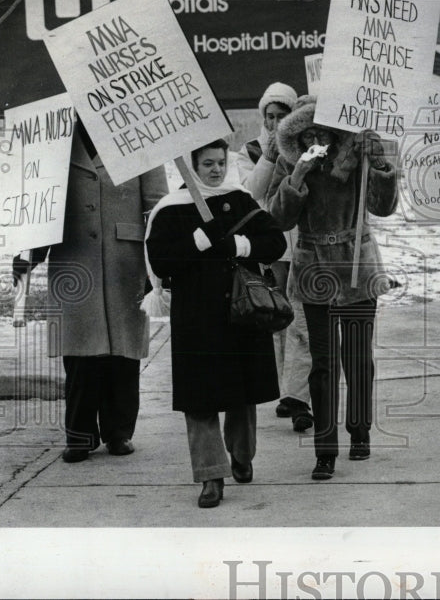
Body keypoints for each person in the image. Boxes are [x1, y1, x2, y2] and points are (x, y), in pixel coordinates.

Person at [13, 123, 168, 463]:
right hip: (74, 258)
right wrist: (29, 255)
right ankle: (80, 437)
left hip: (126, 261)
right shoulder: (54, 136)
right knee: (80, 356)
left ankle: (119, 433)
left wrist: (157, 262)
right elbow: (39, 204)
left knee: (123, 355)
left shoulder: (141, 131)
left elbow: (158, 207)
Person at [145, 139, 285, 508]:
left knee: (241, 393)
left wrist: (239, 245)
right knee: (200, 399)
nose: (216, 170)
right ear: (191, 166)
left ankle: (241, 454)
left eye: (220, 162)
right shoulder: (171, 209)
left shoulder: (240, 199)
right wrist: (196, 241)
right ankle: (210, 475)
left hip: (241, 313)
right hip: (196, 318)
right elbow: (159, 262)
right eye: (207, 164)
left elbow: (274, 243)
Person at [267, 96, 398, 481]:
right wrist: (296, 178)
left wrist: (382, 166)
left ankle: (360, 431)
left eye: (322, 132)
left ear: (335, 132)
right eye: (307, 135)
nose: (316, 140)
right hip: (313, 270)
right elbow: (277, 218)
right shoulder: (289, 162)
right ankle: (325, 451)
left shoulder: (356, 154)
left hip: (358, 266)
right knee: (322, 366)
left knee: (358, 358)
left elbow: (383, 207)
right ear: (298, 137)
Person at [235, 81, 314, 433]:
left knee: (300, 322)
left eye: (282, 115)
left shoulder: (303, 147)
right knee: (274, 318)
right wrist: (269, 155)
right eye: (270, 116)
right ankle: (284, 390)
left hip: (300, 243)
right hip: (269, 247)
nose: (275, 122)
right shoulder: (249, 151)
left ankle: (298, 395)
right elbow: (250, 193)